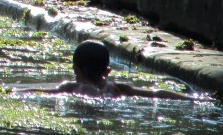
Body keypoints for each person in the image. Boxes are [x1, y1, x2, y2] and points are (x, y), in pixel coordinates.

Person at [25, 39, 194, 99]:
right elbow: (157, 94)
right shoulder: (118, 88)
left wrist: (4, 91)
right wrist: (195, 100)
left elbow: (38, 92)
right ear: (107, 71)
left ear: (76, 70)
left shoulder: (70, 88)